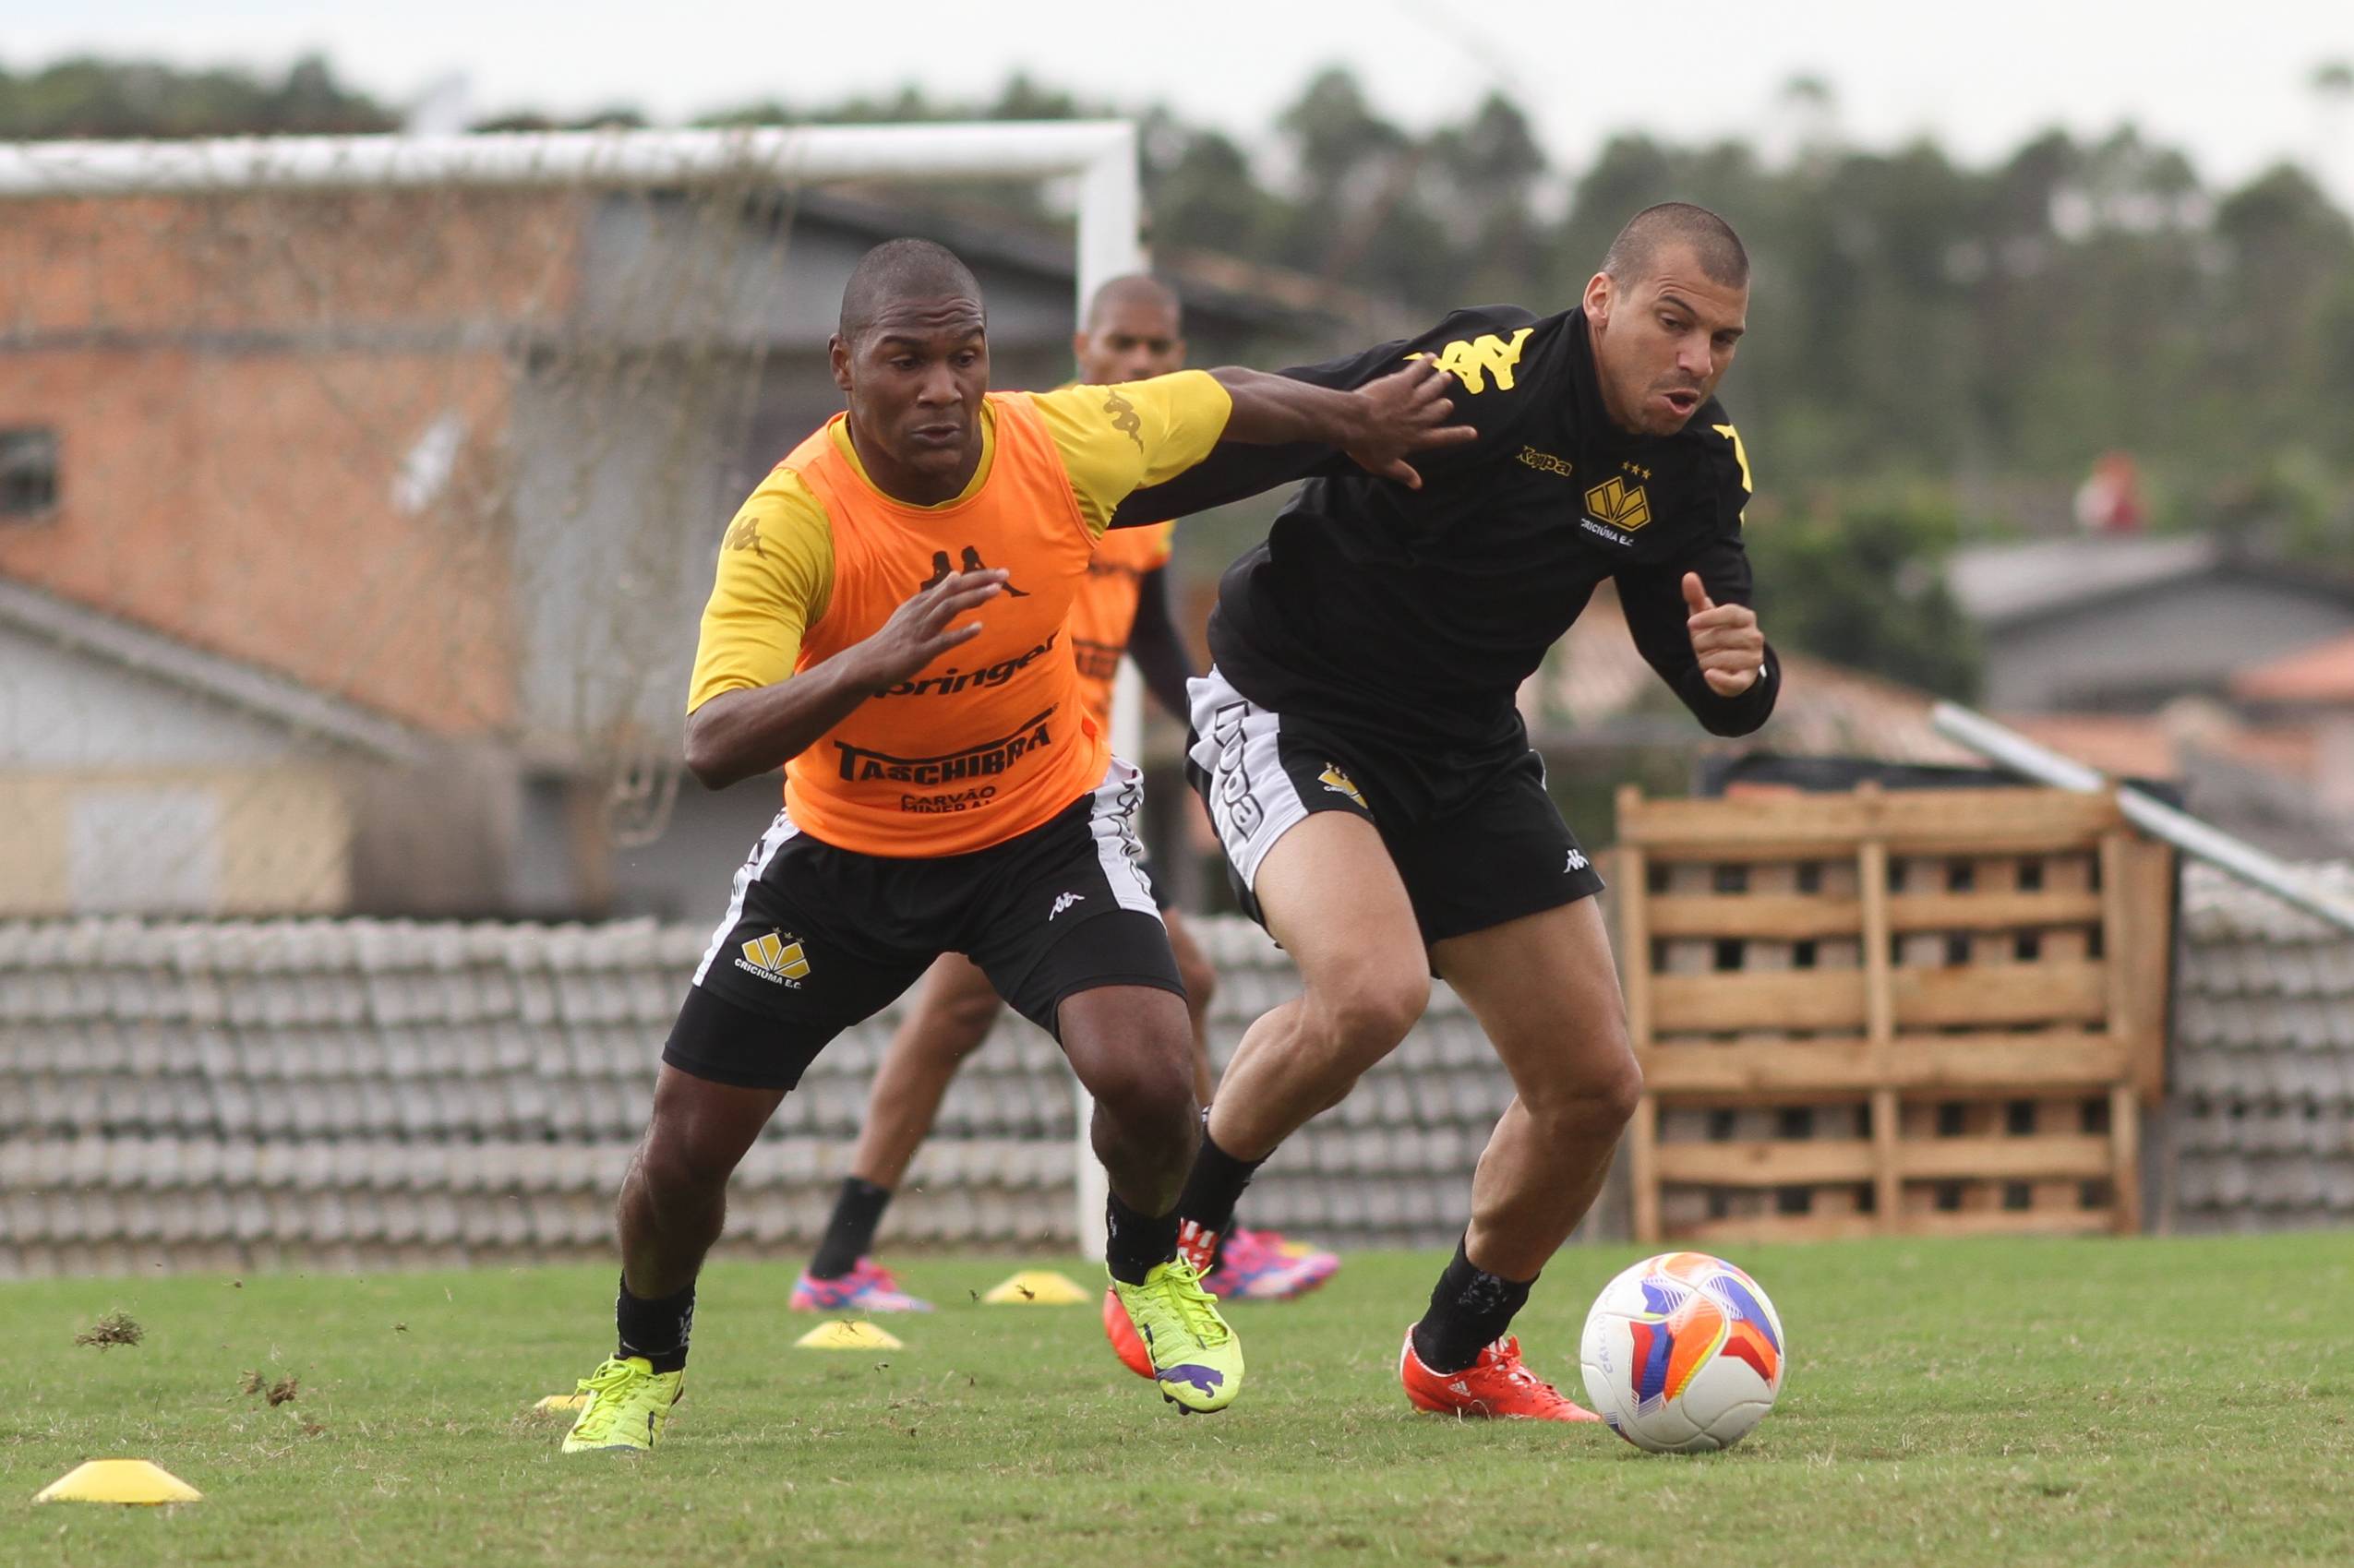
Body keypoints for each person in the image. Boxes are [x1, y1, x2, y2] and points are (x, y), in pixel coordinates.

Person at [557, 239, 1471, 1451]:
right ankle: (642, 1358)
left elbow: (1222, 397)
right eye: (907, 359)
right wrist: (876, 657)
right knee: (683, 1151)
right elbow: (712, 741)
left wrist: (1351, 418)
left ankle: (1148, 1269)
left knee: (1151, 1075)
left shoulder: (1054, 443)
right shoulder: (790, 519)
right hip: (842, 857)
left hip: (1038, 830)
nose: (942, 387)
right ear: (844, 367)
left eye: (966, 355)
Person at [1100, 203, 1779, 1419]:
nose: (1695, 360)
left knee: (1594, 1084)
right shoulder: (1484, 376)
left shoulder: (1694, 461)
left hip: (1465, 755)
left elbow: (1707, 659)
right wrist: (1086, 493)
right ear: (1602, 300)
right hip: (1293, 707)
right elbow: (1288, 424)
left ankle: (1458, 1349)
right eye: (1673, 323)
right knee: (1373, 993)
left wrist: (1743, 675)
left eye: (1721, 341)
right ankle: (1169, 1247)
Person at [787, 275, 1339, 1318]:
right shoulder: (1037, 462)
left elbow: (1150, 639)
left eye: (1159, 346)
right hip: (991, 794)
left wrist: (1225, 721)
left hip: (1066, 799)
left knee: (1112, 993)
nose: (1141, 363)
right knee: (1005, 1008)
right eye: (1123, 343)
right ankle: (1198, 1235)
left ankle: (844, 1257)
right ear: (1085, 347)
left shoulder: (1141, 502)